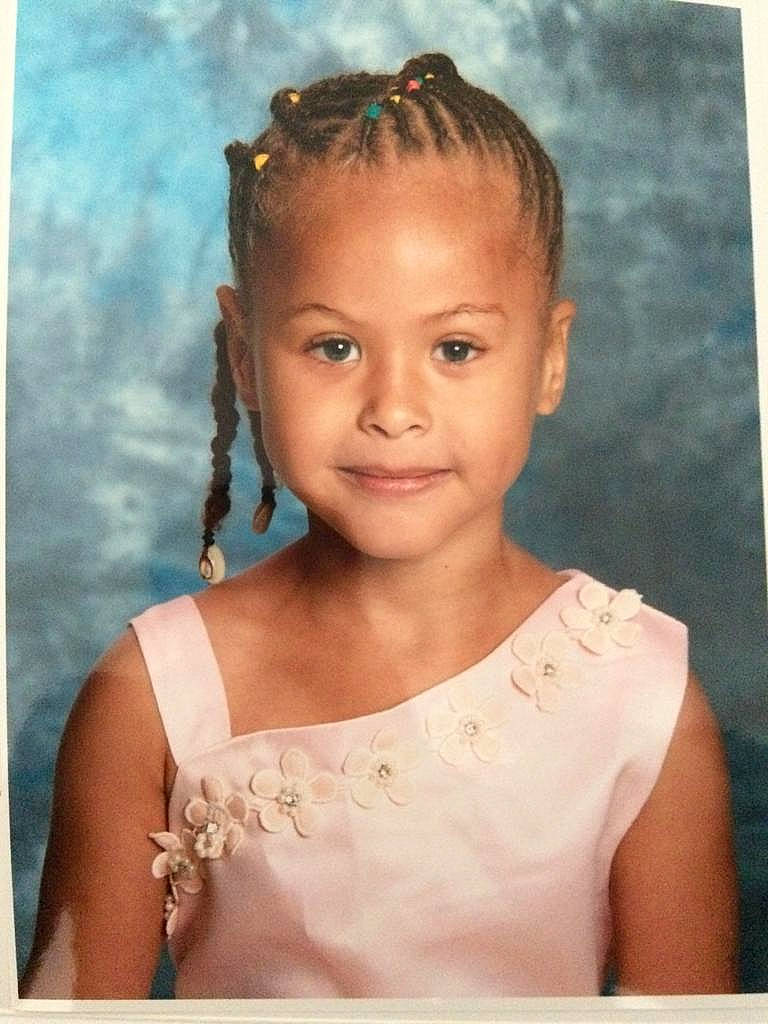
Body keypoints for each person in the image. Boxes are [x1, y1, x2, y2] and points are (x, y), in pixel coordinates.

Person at [20, 52, 738, 999]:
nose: (393, 408)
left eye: (455, 347)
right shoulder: (149, 698)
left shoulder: (643, 701)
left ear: (550, 357)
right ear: (245, 356)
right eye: (334, 345)